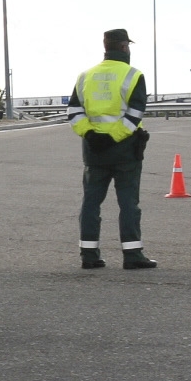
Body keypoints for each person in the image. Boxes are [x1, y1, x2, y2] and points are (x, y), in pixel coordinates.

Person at [67, 27, 153, 269]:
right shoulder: (133, 75)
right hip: (125, 150)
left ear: (106, 47)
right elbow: (135, 114)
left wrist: (91, 133)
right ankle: (133, 255)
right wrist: (113, 137)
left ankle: (89, 255)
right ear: (124, 47)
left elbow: (73, 111)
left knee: (91, 202)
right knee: (128, 203)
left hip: (93, 151)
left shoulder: (85, 76)